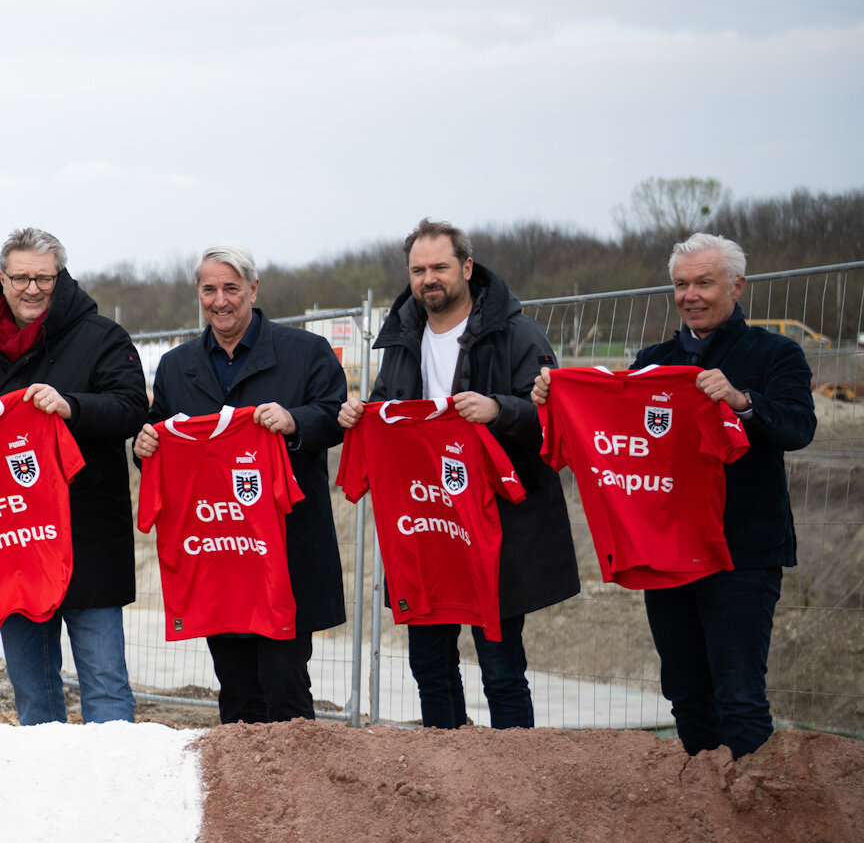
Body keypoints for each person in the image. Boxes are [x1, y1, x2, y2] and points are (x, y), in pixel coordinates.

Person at [535, 233, 814, 757]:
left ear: (736, 285)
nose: (691, 295)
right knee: (685, 693)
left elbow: (799, 427)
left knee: (739, 695)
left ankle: (754, 813)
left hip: (742, 553)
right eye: (681, 284)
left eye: (704, 283)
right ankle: (702, 808)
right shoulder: (650, 361)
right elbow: (612, 430)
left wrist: (741, 401)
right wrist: (555, 398)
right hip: (668, 550)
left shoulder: (776, 352)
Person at [337, 217, 578, 729]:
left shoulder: (516, 333)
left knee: (501, 667)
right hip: (427, 524)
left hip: (499, 524)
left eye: (440, 267)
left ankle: (514, 777)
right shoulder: (402, 338)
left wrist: (499, 409)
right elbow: (385, 408)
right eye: (418, 269)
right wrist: (361, 416)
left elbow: (557, 419)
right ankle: (446, 774)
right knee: (428, 663)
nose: (429, 279)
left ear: (467, 268)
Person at [0, 227, 148, 725]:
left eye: (43, 278)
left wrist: (71, 406)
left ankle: (116, 787)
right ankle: (48, 793)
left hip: (87, 536)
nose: (32, 289)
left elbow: (131, 410)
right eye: (21, 277)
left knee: (104, 685)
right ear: (2, 278)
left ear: (61, 277)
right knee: (33, 691)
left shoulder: (103, 337)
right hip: (14, 542)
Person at [134, 243, 346, 724]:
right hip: (218, 552)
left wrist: (295, 422)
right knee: (234, 687)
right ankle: (241, 793)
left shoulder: (304, 352)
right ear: (198, 294)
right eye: (209, 289)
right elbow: (157, 434)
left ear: (253, 289)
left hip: (284, 552)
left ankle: (296, 792)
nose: (220, 300)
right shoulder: (176, 366)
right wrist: (142, 446)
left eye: (231, 288)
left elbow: (336, 417)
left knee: (286, 684)